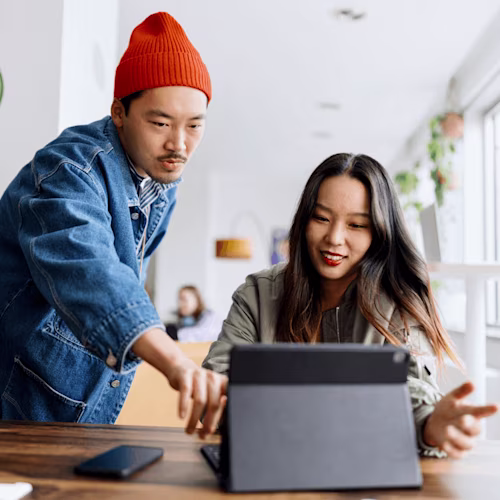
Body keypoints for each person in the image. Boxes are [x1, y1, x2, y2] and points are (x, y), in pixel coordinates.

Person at [0, 12, 226, 437]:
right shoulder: (67, 169)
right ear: (119, 112)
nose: (179, 144)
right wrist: (176, 362)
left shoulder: (162, 180)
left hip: (84, 405)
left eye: (195, 126)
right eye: (160, 123)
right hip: (15, 401)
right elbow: (91, 271)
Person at [203, 153, 498, 458]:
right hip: (268, 460)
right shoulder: (258, 292)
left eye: (357, 225)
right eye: (321, 218)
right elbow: (217, 382)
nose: (334, 238)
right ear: (304, 221)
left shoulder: (399, 299)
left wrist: (429, 425)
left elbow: (409, 389)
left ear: (381, 232)